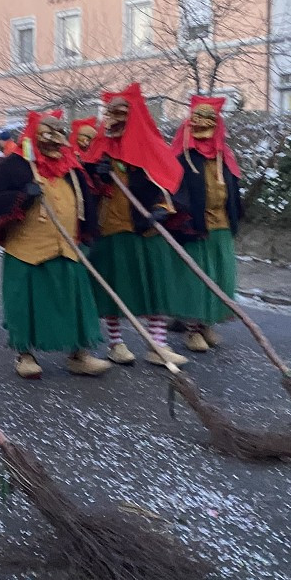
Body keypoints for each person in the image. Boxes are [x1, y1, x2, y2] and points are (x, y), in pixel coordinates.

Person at [0, 111, 108, 379]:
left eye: (58, 137)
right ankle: (24, 355)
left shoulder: (71, 168)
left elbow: (86, 199)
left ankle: (79, 354)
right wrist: (21, 196)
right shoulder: (14, 165)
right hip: (27, 251)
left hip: (66, 247)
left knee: (74, 301)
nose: (53, 144)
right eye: (47, 137)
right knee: (27, 305)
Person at [83, 83, 186, 367]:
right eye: (111, 112)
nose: (115, 118)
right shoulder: (99, 148)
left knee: (154, 287)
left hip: (146, 228)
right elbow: (83, 188)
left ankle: (157, 345)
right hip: (112, 228)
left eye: (122, 112)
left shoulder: (150, 147)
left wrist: (162, 209)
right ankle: (116, 343)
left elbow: (166, 182)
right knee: (114, 287)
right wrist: (97, 174)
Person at [165, 96, 244, 353]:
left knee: (219, 276)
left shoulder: (225, 156)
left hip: (220, 225)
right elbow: (173, 192)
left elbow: (234, 189)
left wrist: (235, 217)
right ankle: (192, 329)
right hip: (195, 228)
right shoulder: (183, 157)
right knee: (195, 278)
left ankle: (208, 323)